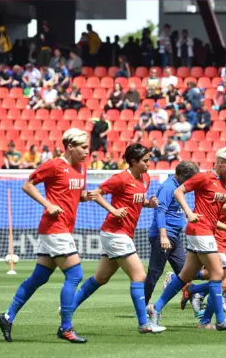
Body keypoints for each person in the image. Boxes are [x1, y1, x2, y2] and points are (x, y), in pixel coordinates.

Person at [0, 129, 92, 343]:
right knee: (75, 275)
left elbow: (74, 196)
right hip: (54, 227)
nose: (87, 151)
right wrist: (48, 204)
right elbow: (27, 185)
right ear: (69, 146)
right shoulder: (54, 165)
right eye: (83, 147)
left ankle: (7, 316)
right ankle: (66, 328)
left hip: (63, 228)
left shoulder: (82, 168)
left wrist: (87, 197)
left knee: (39, 277)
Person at [146, 147, 226, 332]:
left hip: (207, 230)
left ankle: (156, 308)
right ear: (220, 162)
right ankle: (219, 321)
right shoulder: (204, 177)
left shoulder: (225, 182)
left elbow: (215, 206)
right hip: (200, 230)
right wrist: (189, 212)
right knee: (218, 275)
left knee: (185, 276)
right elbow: (178, 192)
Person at [71, 143, 165, 333]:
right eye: (145, 161)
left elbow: (136, 202)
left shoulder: (145, 178)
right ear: (133, 161)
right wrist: (113, 209)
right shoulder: (120, 179)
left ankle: (67, 308)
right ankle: (144, 324)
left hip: (121, 233)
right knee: (139, 276)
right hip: (115, 233)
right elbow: (95, 194)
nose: (149, 164)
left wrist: (149, 203)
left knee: (101, 277)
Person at [181, 166, 226, 314]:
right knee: (221, 281)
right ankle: (207, 316)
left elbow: (224, 218)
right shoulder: (220, 193)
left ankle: (194, 290)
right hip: (214, 238)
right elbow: (212, 220)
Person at [144, 161, 200, 304]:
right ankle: (143, 304)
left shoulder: (178, 187)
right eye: (190, 178)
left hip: (174, 236)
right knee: (154, 272)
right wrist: (163, 236)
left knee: (185, 273)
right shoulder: (168, 187)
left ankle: (191, 297)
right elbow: (160, 211)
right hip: (164, 236)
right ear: (181, 175)